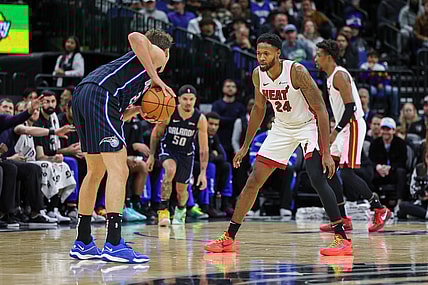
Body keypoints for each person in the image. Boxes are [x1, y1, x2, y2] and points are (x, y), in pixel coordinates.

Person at [204, 33, 351, 256]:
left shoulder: (296, 71)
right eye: (258, 53)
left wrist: (327, 151)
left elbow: (321, 109)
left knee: (316, 177)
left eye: (266, 53)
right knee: (254, 180)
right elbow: (259, 109)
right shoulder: (258, 75)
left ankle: (342, 238)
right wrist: (245, 146)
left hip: (307, 126)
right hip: (281, 128)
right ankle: (229, 237)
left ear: (278, 54)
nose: (261, 58)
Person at [69, 29, 174, 264]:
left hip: (83, 95)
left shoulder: (134, 72)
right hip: (100, 95)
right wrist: (155, 77)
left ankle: (83, 240)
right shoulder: (155, 56)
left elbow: (117, 114)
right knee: (120, 170)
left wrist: (138, 110)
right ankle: (114, 242)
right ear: (165, 52)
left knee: (95, 171)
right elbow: (135, 36)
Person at [314, 39, 392, 233]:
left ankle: (379, 209)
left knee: (347, 173)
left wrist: (334, 132)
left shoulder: (340, 75)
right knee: (328, 168)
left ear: (329, 57)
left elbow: (351, 108)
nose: (315, 59)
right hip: (343, 127)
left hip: (353, 125)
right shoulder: (330, 77)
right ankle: (342, 218)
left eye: (318, 55)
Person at [147, 84, 208, 226]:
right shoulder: (169, 112)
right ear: (179, 99)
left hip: (186, 154)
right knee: (170, 170)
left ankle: (181, 211)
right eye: (185, 99)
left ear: (195, 100)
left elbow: (204, 149)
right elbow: (156, 134)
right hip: (169, 149)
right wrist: (151, 155)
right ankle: (163, 210)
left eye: (191, 99)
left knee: (182, 190)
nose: (188, 102)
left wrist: (203, 172)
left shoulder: (200, 119)